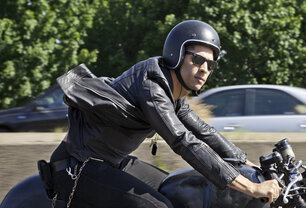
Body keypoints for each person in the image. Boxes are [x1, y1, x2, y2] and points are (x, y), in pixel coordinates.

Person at [47, 20, 280, 207]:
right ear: (176, 54)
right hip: (77, 166)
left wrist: (249, 166)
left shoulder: (174, 93)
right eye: (198, 59)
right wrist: (250, 187)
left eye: (211, 65)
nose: (205, 69)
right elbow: (183, 141)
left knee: (175, 188)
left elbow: (204, 133)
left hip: (113, 162)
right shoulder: (152, 85)